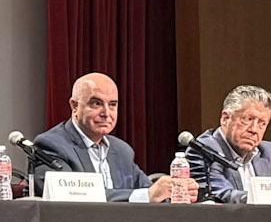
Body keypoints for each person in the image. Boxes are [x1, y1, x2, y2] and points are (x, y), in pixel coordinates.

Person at [31, 72, 193, 202]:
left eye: (113, 104)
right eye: (96, 103)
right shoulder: (51, 145)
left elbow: (148, 190)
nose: (106, 113)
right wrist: (148, 195)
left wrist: (173, 192)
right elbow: (73, 198)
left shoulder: (122, 150)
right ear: (74, 106)